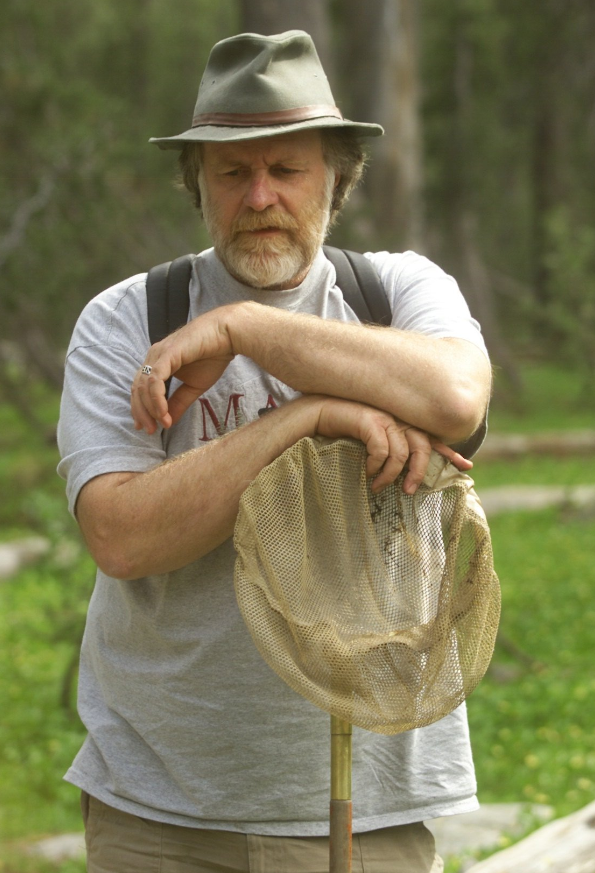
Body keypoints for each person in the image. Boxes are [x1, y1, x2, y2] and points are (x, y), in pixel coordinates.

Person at [57, 30, 491, 873]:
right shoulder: (127, 321)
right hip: (162, 808)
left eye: (286, 169)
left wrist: (245, 327)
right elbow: (121, 536)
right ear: (199, 185)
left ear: (336, 178)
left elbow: (454, 398)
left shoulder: (399, 293)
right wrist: (307, 417)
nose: (260, 196)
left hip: (374, 802)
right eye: (232, 171)